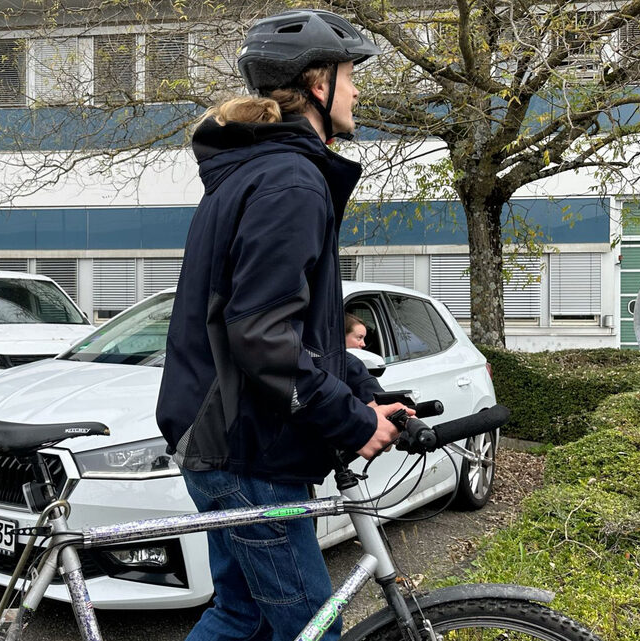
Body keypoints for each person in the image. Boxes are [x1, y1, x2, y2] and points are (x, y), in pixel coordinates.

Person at [156, 9, 412, 641]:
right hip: (246, 449)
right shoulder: (290, 181)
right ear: (318, 84)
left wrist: (365, 392)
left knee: (242, 616)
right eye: (351, 75)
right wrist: (352, 422)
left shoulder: (260, 172)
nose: (358, 91)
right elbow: (261, 335)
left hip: (232, 440)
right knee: (313, 629)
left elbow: (295, 334)